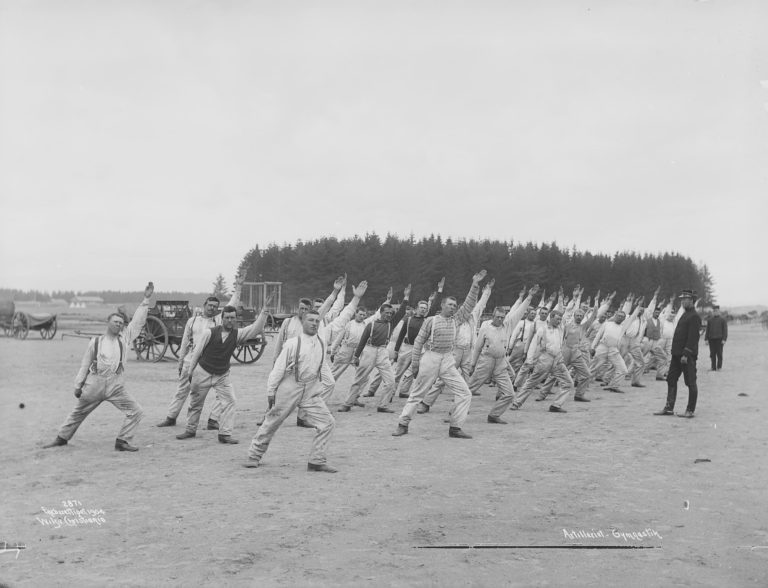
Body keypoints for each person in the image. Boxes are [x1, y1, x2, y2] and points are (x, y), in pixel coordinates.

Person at [43, 282, 155, 452]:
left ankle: (122, 441)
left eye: (121, 323)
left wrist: (146, 299)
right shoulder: (95, 342)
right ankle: (61, 438)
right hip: (94, 384)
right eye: (115, 322)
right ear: (108, 323)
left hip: (116, 385)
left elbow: (137, 323)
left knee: (136, 411)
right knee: (77, 413)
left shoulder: (124, 339)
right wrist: (77, 385)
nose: (119, 324)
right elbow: (85, 365)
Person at [392, 269, 486, 439]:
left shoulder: (456, 320)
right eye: (449, 304)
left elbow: (469, 305)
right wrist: (415, 365)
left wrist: (474, 285)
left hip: (448, 359)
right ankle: (403, 424)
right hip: (431, 357)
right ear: (442, 305)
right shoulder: (430, 321)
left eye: (454, 306)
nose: (453, 307)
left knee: (465, 392)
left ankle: (455, 427)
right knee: (417, 394)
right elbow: (419, 343)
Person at [244, 310, 338, 473]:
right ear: (303, 322)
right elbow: (278, 369)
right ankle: (254, 455)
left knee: (327, 422)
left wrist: (327, 384)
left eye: (317, 321)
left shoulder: (322, 343)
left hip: (310, 390)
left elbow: (322, 367)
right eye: (310, 320)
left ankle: (317, 460)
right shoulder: (293, 343)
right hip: (290, 388)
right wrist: (271, 391)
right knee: (272, 421)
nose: (314, 323)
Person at [176, 293, 273, 444]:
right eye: (227, 317)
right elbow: (197, 353)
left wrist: (265, 310)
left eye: (232, 318)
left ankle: (225, 434)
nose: (230, 320)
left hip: (222, 375)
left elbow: (255, 329)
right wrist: (190, 372)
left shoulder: (238, 334)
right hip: (203, 371)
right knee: (195, 403)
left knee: (230, 401)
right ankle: (190, 430)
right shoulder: (210, 333)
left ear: (235, 319)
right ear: (222, 318)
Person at [156, 275, 244, 429]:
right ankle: (171, 417)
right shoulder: (193, 321)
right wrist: (181, 362)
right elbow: (184, 342)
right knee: (182, 390)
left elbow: (232, 303)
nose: (212, 308)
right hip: (191, 361)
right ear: (204, 305)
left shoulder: (218, 321)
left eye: (215, 306)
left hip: (211, 363)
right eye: (209, 305)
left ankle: (213, 420)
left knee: (221, 394)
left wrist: (238, 287)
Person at [338, 285, 411, 413]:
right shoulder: (371, 325)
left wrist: (406, 297)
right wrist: (356, 356)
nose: (389, 315)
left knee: (390, 381)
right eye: (386, 313)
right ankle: (347, 403)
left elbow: (401, 313)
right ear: (381, 313)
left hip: (382, 352)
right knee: (359, 380)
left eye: (390, 313)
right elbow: (362, 341)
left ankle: (383, 405)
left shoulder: (391, 324)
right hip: (369, 350)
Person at [654, 289, 702, 418]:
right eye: (682, 299)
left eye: (685, 299)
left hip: (686, 356)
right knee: (671, 379)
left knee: (690, 382)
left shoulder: (694, 316)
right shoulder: (684, 314)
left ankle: (690, 410)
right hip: (676, 354)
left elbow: (693, 338)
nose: (682, 301)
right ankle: (669, 408)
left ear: (691, 300)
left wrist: (686, 354)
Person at [705, 305, 728, 371]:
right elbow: (707, 330)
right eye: (714, 311)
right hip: (711, 339)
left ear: (719, 311)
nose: (715, 312)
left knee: (719, 354)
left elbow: (725, 330)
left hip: (719, 340)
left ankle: (719, 367)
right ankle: (713, 367)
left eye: (717, 311)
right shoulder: (710, 320)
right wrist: (706, 339)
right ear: (713, 312)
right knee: (712, 354)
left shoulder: (723, 320)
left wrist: (724, 339)